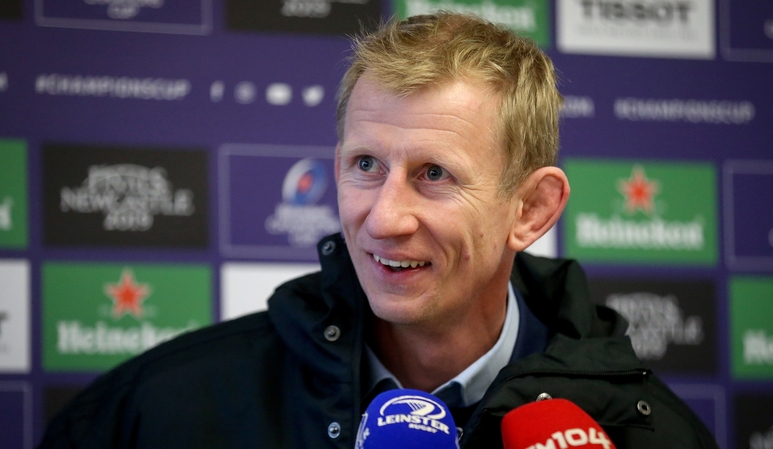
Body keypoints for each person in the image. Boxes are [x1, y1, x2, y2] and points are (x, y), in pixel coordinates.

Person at [38, 12, 718, 449]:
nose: (385, 218)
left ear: (531, 209)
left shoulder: (650, 433)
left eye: (434, 174)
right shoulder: (162, 409)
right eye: (367, 165)